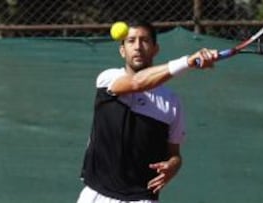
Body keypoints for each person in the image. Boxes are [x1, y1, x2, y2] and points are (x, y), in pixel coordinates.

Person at [77, 20, 218, 203]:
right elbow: (137, 82)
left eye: (144, 40)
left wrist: (173, 166)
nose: (137, 47)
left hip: (141, 198)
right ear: (122, 50)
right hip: (97, 194)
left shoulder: (171, 102)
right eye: (131, 41)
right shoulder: (108, 78)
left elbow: (175, 154)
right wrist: (188, 62)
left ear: (155, 49)